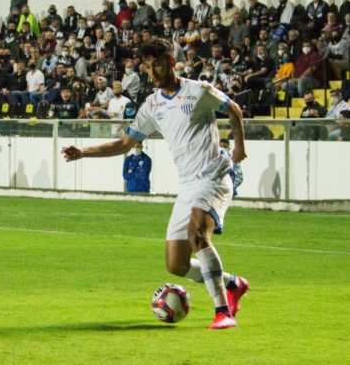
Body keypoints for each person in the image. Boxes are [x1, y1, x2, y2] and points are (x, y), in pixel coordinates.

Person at [62, 39, 250, 330]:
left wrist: (239, 147)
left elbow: (234, 109)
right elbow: (125, 143)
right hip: (188, 184)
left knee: (197, 236)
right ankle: (233, 284)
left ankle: (222, 311)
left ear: (172, 62)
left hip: (213, 175)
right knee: (176, 264)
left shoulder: (197, 91)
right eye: (147, 67)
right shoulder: (151, 106)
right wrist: (83, 152)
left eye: (157, 64)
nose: (153, 72)